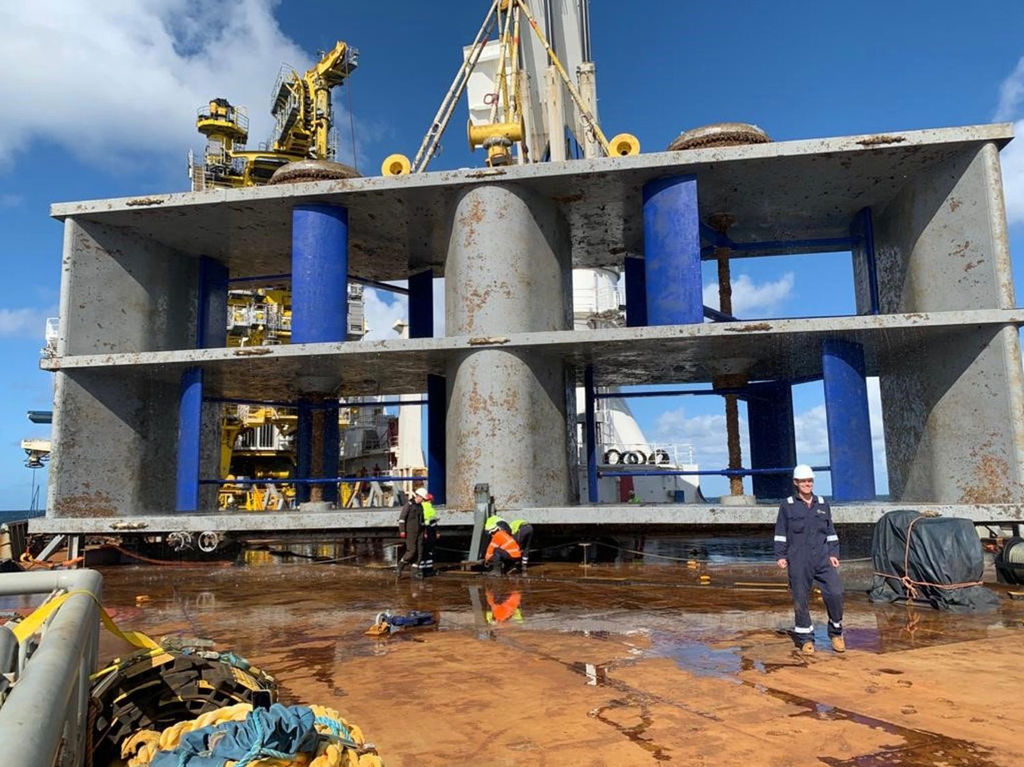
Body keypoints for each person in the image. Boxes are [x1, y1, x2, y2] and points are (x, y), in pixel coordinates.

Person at [773, 464, 845, 655]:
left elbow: (830, 532)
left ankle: (836, 633)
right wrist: (780, 555)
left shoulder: (822, 504)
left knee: (836, 592)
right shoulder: (787, 505)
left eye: (810, 481)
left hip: (822, 558)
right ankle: (805, 639)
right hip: (798, 559)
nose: (807, 484)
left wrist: (833, 554)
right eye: (803, 481)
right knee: (801, 599)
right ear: (796, 483)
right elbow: (780, 533)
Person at [396, 486, 429, 577]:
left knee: (419, 552)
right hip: (410, 532)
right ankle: (399, 567)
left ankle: (414, 572)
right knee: (411, 551)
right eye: (422, 498)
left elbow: (422, 520)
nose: (422, 500)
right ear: (418, 496)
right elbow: (402, 519)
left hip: (420, 532)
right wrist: (402, 530)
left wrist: (425, 531)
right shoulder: (408, 505)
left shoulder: (420, 507)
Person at [420, 491, 438, 575]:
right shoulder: (430, 508)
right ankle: (429, 570)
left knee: (423, 551)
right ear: (430, 500)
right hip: (429, 531)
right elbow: (433, 522)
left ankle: (422, 569)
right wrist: (437, 531)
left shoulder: (421, 507)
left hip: (423, 532)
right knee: (429, 551)